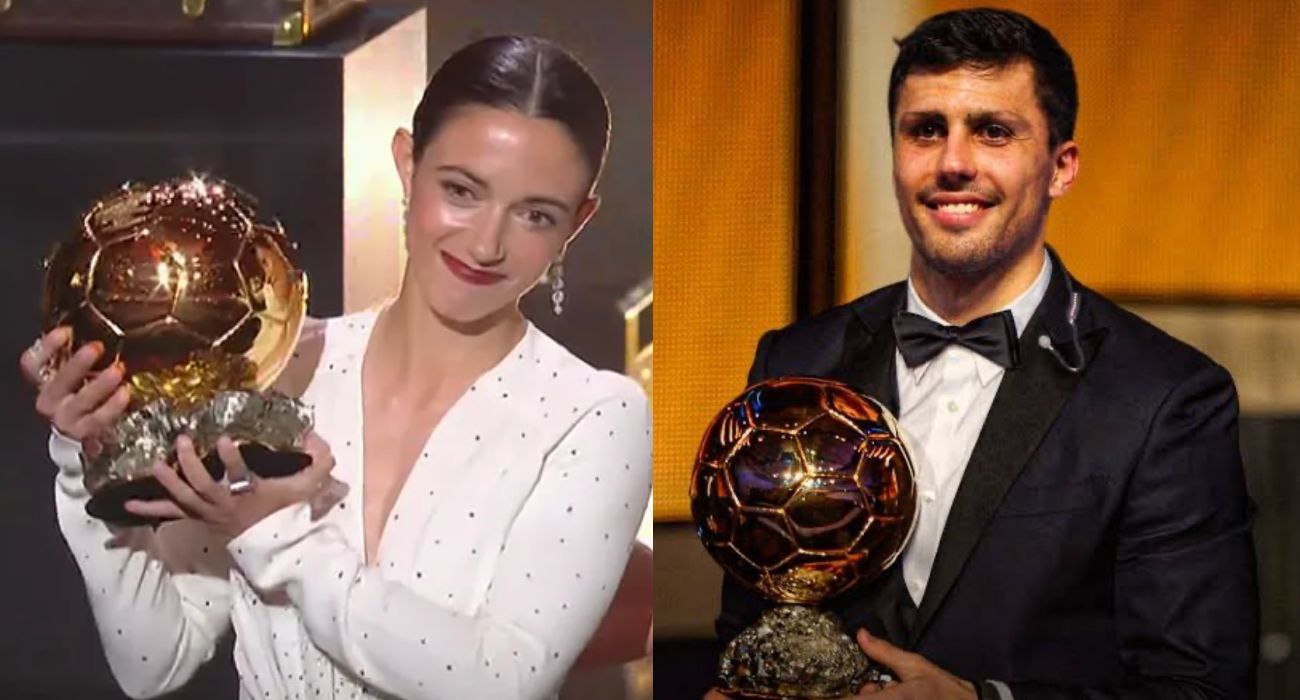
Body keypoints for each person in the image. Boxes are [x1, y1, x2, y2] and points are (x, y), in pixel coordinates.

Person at [19, 35, 652, 700]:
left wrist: (275, 536)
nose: (487, 243)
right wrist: (86, 457)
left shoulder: (593, 416)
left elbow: (500, 680)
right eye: (462, 190)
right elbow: (154, 662)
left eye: (535, 214)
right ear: (408, 164)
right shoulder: (282, 369)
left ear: (577, 224)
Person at [709, 8, 1257, 700]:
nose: (954, 162)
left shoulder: (1167, 398)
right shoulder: (794, 360)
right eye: (925, 130)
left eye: (993, 131)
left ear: (1061, 167)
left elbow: (1201, 687)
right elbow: (748, 634)